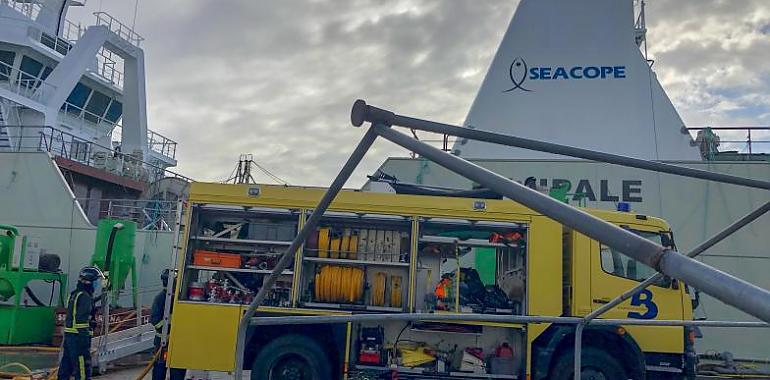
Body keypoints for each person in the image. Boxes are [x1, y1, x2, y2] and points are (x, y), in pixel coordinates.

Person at [58, 266, 104, 380]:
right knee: (83, 367)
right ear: (90, 281)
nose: (97, 284)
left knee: (66, 366)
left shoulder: (75, 294)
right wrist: (85, 338)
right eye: (96, 281)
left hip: (69, 336)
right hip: (79, 337)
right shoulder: (85, 297)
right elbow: (81, 320)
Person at [150, 269, 186, 380]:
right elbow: (155, 320)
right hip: (163, 342)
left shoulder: (176, 298)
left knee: (175, 370)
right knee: (162, 368)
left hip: (174, 342)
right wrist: (169, 331)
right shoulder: (162, 298)